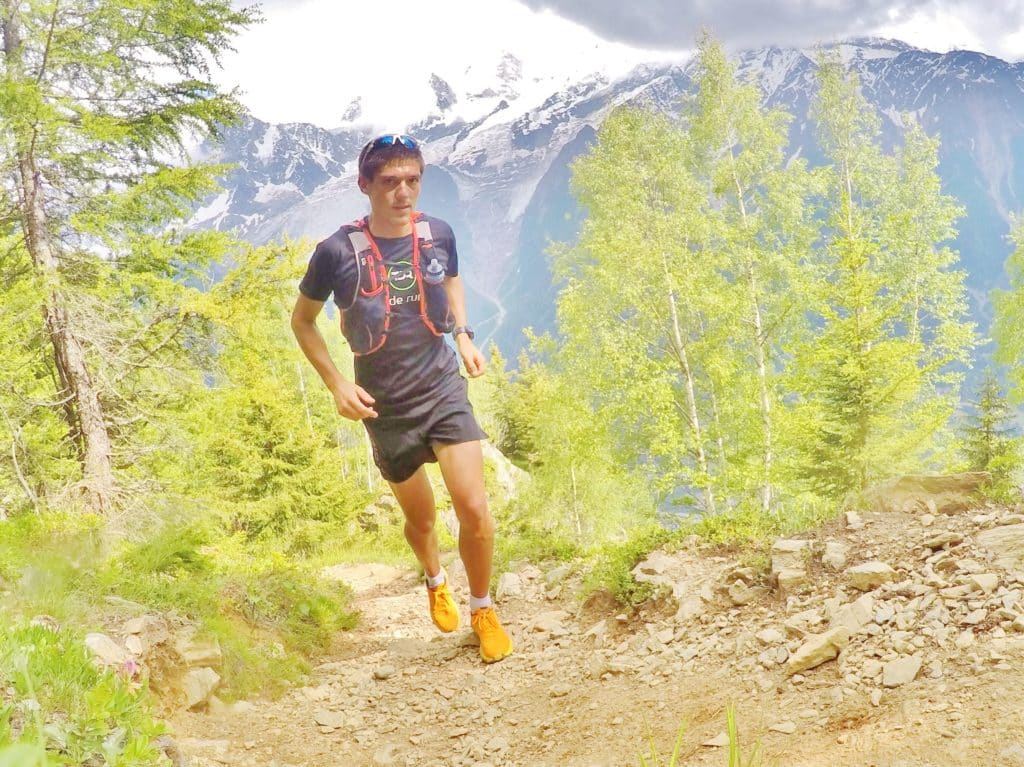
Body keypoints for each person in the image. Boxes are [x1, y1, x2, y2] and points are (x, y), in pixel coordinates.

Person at [290, 134, 513, 663]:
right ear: (365, 186)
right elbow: (302, 322)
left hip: (441, 388)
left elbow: (452, 281)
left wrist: (462, 335)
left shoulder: (438, 234)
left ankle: (482, 608)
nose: (403, 192)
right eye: (389, 182)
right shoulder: (336, 252)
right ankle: (435, 579)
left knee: (475, 508)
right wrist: (337, 385)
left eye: (412, 180)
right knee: (422, 517)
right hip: (383, 406)